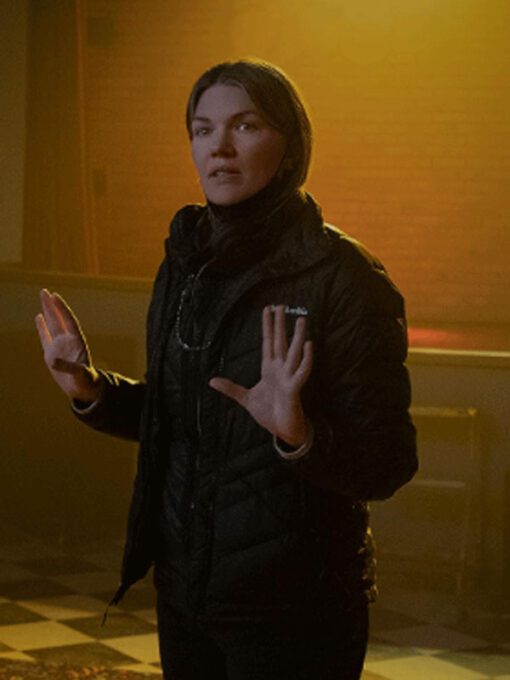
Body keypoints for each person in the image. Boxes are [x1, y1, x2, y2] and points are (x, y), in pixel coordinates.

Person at [36, 59, 417, 680]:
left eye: (245, 126)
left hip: (297, 610)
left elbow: (389, 461)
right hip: (187, 597)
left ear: (289, 146)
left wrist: (299, 434)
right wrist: (89, 388)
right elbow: (179, 416)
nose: (219, 146)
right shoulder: (186, 261)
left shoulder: (344, 277)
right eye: (203, 129)